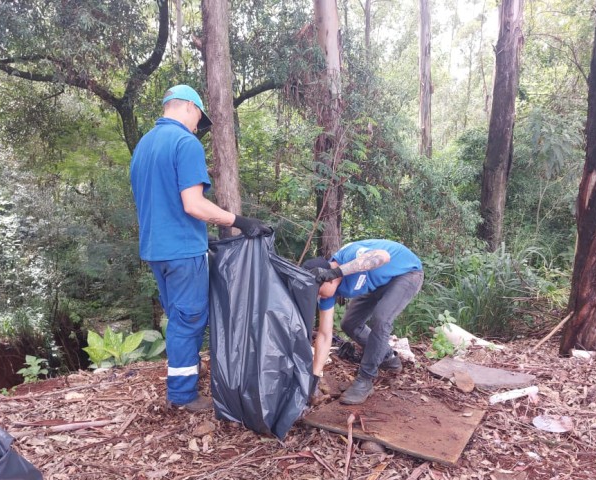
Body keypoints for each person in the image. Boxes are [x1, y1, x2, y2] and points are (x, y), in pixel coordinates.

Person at [130, 84, 271, 411]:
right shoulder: (184, 142)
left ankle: (184, 377)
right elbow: (193, 204)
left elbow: (160, 203)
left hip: (156, 249)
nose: (198, 127)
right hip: (181, 252)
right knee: (190, 319)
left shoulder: (144, 146)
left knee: (178, 317)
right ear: (190, 108)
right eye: (199, 120)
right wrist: (239, 221)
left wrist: (197, 237)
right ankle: (182, 395)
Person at [304, 240, 423, 405]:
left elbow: (382, 256)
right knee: (349, 323)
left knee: (381, 320)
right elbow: (324, 335)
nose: (319, 296)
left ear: (327, 279)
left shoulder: (350, 256)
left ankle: (365, 380)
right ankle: (387, 356)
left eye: (318, 291)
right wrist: (314, 378)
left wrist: (338, 272)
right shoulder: (327, 294)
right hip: (378, 283)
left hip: (406, 274)